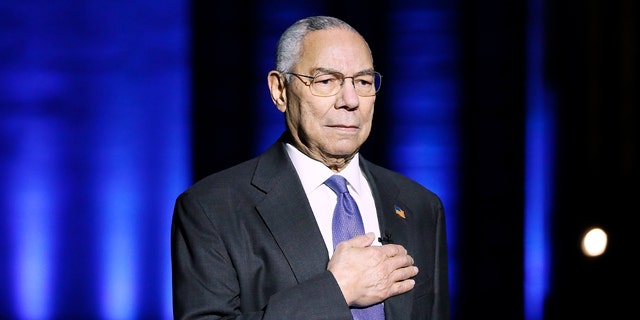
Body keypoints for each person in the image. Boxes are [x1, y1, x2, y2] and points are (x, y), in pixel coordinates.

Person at [171, 15, 450, 320]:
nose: (350, 100)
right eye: (326, 81)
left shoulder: (421, 206)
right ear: (280, 90)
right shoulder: (212, 208)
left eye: (363, 82)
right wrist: (335, 291)